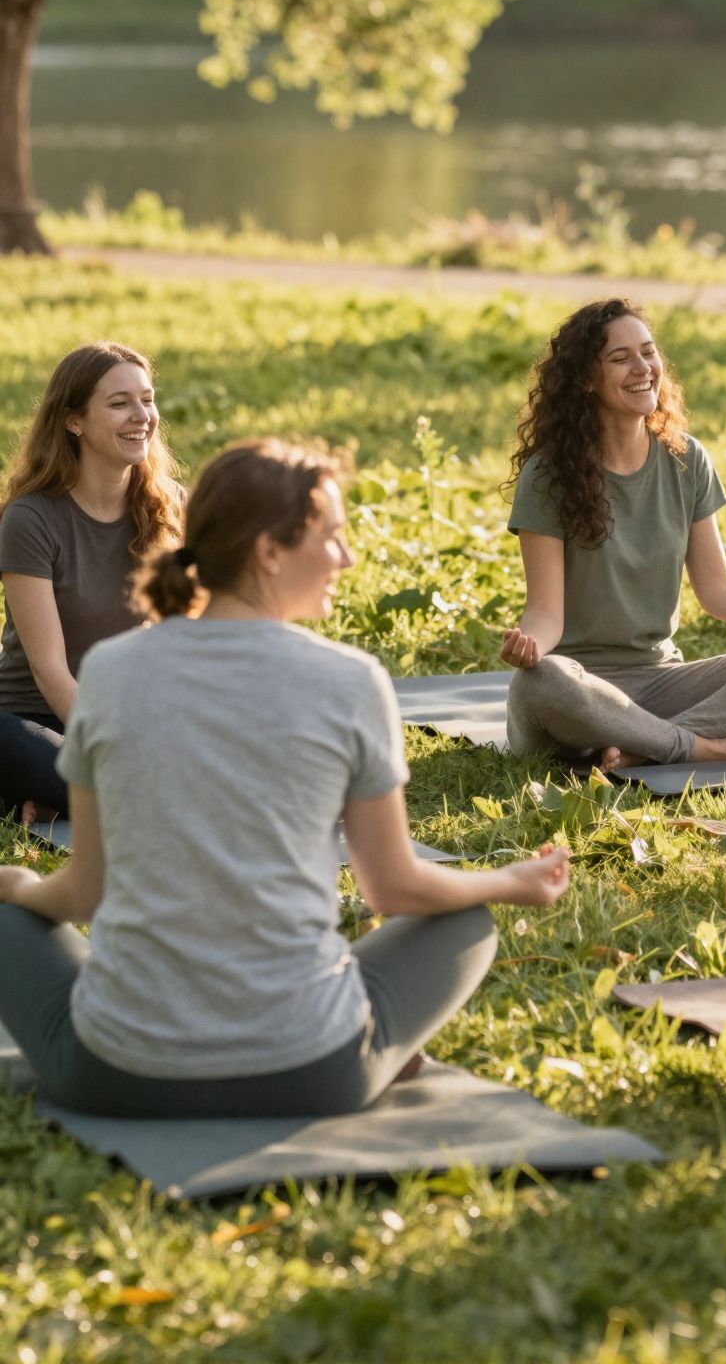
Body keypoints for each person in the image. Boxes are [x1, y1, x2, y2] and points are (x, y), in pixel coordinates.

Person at [0, 438, 570, 1118]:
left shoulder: (110, 674)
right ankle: (384, 1052)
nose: (347, 558)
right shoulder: (351, 681)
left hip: (114, 1078)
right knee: (465, 920)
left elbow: (85, 893)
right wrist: (508, 883)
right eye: (332, 538)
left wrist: (20, 888)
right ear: (269, 551)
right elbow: (395, 887)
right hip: (316, 1073)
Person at [501, 300, 726, 770]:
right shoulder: (548, 475)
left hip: (662, 686)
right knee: (542, 680)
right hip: (580, 692)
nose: (643, 368)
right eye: (620, 358)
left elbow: (718, 591)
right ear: (585, 379)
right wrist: (529, 643)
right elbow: (544, 613)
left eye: (648, 352)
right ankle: (709, 748)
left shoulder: (685, 459)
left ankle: (647, 746)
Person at [0, 342, 182, 826]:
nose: (141, 415)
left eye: (146, 399)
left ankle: (52, 801)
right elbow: (50, 672)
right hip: (34, 717)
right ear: (73, 420)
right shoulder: (30, 518)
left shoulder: (166, 506)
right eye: (119, 403)